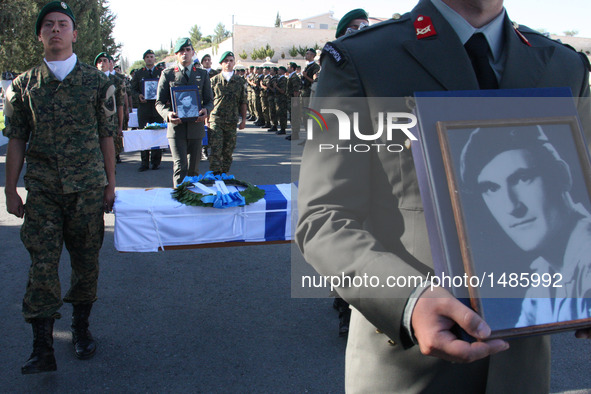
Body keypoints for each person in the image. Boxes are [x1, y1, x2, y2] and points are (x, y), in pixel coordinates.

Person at [295, 0, 591, 392]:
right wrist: (408, 300)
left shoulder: (562, 65)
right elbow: (321, 218)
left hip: (521, 370)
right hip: (408, 369)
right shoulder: (362, 60)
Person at [3, 1, 116, 374]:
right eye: (48, 25)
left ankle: (81, 329)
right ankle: (42, 347)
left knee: (86, 264)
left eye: (62, 24)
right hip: (44, 190)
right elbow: (17, 138)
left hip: (86, 189)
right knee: (42, 265)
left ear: (74, 33)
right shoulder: (23, 86)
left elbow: (106, 136)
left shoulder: (98, 82)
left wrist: (110, 183)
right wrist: (10, 188)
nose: (55, 30)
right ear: (40, 34)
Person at [460, 125, 591, 327]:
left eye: (522, 178)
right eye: (491, 188)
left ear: (562, 176)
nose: (512, 207)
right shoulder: (544, 276)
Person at [156, 38, 213, 187]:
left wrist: (206, 110)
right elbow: (159, 102)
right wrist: (168, 115)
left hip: (196, 127)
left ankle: (192, 201)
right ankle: (179, 202)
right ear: (176, 54)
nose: (185, 54)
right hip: (177, 128)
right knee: (180, 167)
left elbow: (209, 100)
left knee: (194, 170)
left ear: (193, 53)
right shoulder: (168, 74)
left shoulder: (202, 74)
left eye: (188, 50)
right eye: (181, 51)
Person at [208, 51, 247, 174]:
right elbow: (208, 101)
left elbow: (243, 102)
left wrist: (244, 120)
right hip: (216, 119)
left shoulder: (239, 81)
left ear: (234, 62)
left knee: (228, 151)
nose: (228, 63)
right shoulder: (214, 81)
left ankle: (224, 175)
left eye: (231, 60)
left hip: (231, 120)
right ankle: (215, 176)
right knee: (215, 150)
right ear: (221, 63)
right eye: (226, 61)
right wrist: (206, 120)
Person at [131, 49, 164, 171]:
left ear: (155, 59)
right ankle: (144, 162)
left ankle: (156, 162)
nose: (150, 59)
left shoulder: (161, 72)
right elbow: (132, 89)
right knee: (143, 135)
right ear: (144, 59)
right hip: (144, 108)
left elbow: (166, 88)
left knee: (157, 134)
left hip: (157, 108)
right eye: (147, 57)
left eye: (152, 56)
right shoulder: (139, 74)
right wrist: (138, 96)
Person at [95, 52, 125, 164]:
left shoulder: (117, 81)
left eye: (104, 60)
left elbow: (120, 104)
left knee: (111, 155)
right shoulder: (91, 80)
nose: (102, 63)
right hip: (95, 122)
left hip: (112, 122)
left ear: (110, 64)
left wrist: (121, 126)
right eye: (99, 61)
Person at [286, 62, 301, 141]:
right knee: (292, 117)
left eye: (288, 67)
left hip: (293, 99)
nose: (287, 68)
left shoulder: (294, 77)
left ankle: (295, 134)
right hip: (290, 99)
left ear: (292, 68)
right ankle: (293, 133)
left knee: (294, 117)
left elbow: (296, 90)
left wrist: (295, 100)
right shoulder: (291, 76)